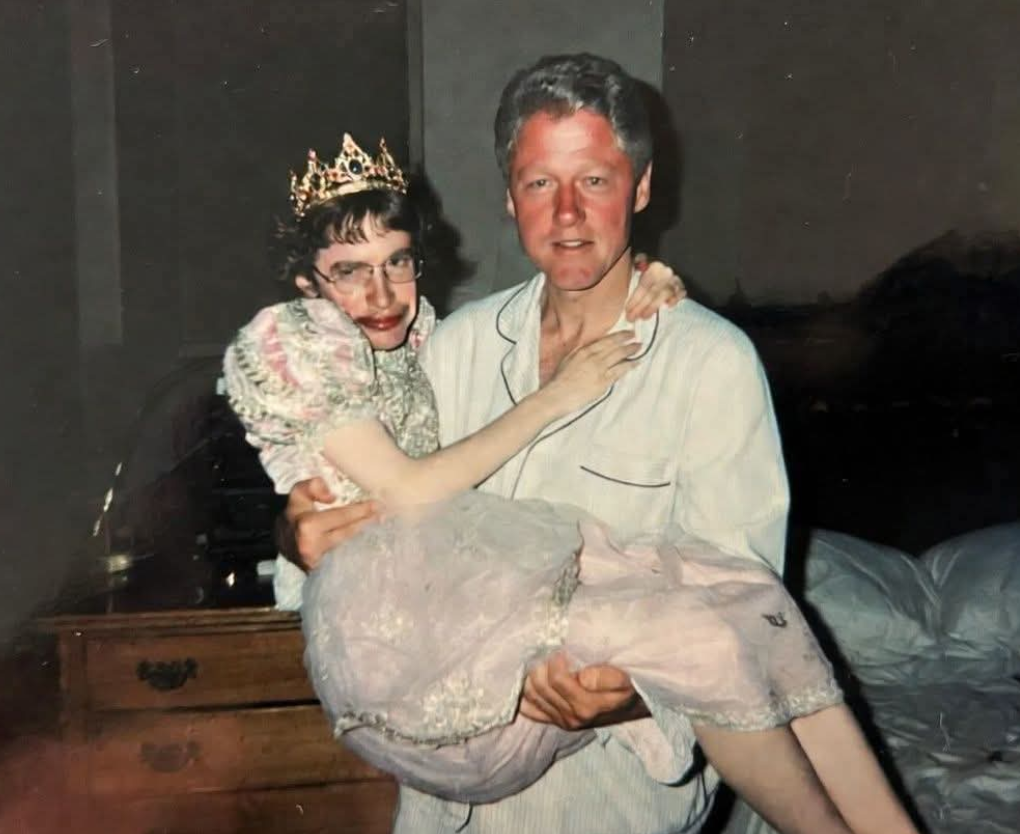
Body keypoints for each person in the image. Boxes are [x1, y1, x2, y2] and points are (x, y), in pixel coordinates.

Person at [270, 55, 920, 834]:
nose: (568, 213)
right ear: (510, 198)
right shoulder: (454, 345)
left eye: (596, 181)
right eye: (540, 183)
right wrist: (295, 532)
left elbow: (743, 603)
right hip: (450, 796)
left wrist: (630, 693)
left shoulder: (708, 362)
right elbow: (365, 506)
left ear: (640, 190)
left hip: (610, 794)